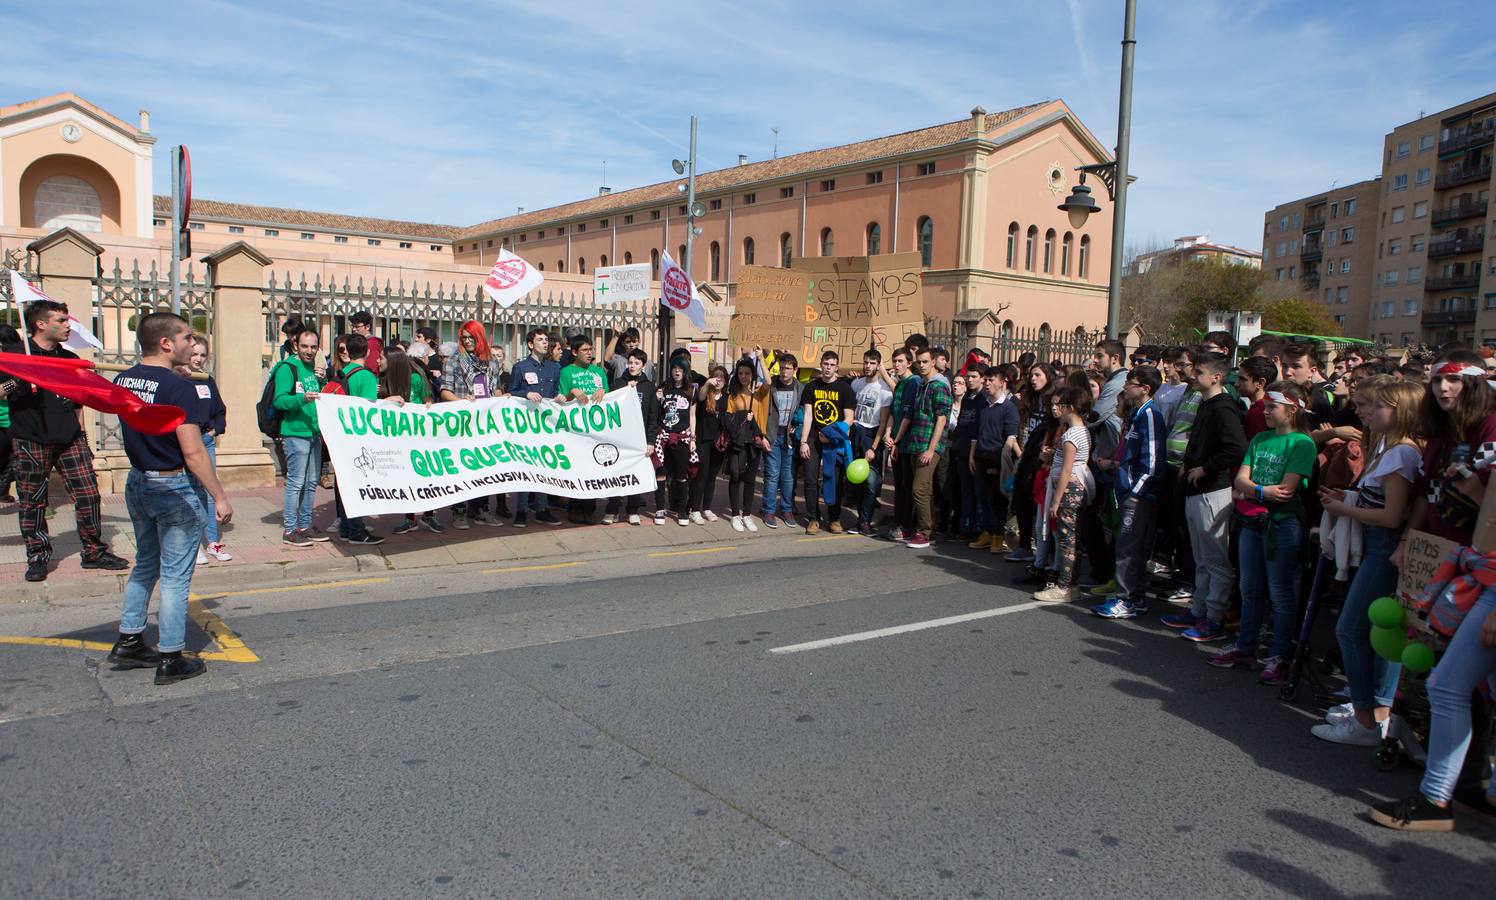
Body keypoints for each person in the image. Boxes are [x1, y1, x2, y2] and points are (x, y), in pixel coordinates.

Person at [107, 312, 232, 685]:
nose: (193, 345)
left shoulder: (125, 378)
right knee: (177, 577)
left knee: (146, 562)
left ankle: (130, 639)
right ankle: (171, 656)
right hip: (173, 485)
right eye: (187, 338)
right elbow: (194, 454)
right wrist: (219, 496)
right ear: (166, 344)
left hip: (139, 480)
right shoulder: (181, 389)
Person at [1312, 379, 1423, 745]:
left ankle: (1365, 718)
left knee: (1351, 629)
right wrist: (1348, 496)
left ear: (1400, 410)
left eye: (1375, 406)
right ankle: (1376, 710)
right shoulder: (1387, 448)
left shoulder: (1402, 452)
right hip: (1376, 544)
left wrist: (1345, 508)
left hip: (1384, 547)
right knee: (1377, 632)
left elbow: (1393, 516)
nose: (1364, 412)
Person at [10, 299, 130, 582]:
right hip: (31, 439)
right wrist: (18, 380)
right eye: (61, 321)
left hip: (70, 437)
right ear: (41, 324)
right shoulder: (15, 355)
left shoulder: (69, 359)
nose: (68, 325)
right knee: (32, 501)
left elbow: (80, 401)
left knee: (88, 494)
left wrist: (83, 437)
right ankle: (38, 555)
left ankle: (93, 551)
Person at [1208, 382, 1315, 681]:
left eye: (1272, 407)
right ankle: (1245, 648)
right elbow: (1240, 480)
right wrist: (1258, 490)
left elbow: (1285, 491)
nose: (1265, 411)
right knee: (1249, 589)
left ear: (1292, 410)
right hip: (1252, 523)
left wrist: (1250, 492)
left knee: (1280, 594)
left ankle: (1280, 657)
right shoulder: (1260, 439)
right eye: (1266, 406)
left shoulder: (1302, 443)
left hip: (1281, 525)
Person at [1165, 354, 1248, 640]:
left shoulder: (1223, 407)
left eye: (1199, 372)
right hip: (1195, 489)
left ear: (1216, 377)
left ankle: (1214, 618)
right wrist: (1189, 463)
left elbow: (1236, 448)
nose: (1192, 375)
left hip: (1214, 491)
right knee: (1201, 558)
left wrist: (1206, 467)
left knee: (1215, 559)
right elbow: (1198, 441)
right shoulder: (1205, 403)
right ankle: (1198, 609)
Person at [1093, 366, 1165, 619]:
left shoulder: (1150, 415)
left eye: (1130, 383)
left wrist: (1136, 491)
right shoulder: (1137, 414)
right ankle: (1135, 597)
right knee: (1129, 548)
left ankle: (1127, 600)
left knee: (1127, 548)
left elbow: (1153, 460)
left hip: (1139, 495)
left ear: (1145, 388)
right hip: (1128, 492)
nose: (1125, 387)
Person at [1033, 386, 1093, 601]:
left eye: (1062, 406)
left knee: (1068, 539)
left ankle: (1065, 586)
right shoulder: (1081, 430)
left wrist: (1056, 501)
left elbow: (1067, 469)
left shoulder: (1072, 435)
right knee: (1071, 537)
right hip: (1074, 487)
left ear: (1071, 408)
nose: (1058, 409)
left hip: (1069, 489)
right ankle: (1070, 584)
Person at [383, 347, 445, 536]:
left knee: (426, 476)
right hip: (399, 437)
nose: (378, 361)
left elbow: (427, 399)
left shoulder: (416, 378)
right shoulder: (384, 380)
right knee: (406, 477)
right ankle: (409, 518)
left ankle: (429, 514)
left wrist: (428, 405)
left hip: (419, 436)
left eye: (381, 358)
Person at [894, 348, 951, 549]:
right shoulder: (921, 385)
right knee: (924, 490)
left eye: (925, 361)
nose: (921, 365)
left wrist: (931, 449)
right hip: (915, 442)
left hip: (930, 445)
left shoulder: (939, 386)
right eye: (919, 362)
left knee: (918, 488)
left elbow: (942, 419)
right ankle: (929, 529)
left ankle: (924, 532)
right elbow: (911, 416)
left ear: (934, 362)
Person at [181, 335, 230, 564]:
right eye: (194, 354)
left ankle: (211, 540)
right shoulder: (179, 380)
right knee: (190, 491)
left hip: (206, 440)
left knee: (210, 490)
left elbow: (219, 410)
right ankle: (195, 543)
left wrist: (215, 431)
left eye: (202, 355)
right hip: (185, 442)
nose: (198, 359)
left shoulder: (207, 380)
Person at [507, 328, 562, 527]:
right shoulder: (520, 367)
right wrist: (526, 394)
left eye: (546, 339)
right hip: (526, 424)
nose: (545, 343)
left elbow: (556, 392)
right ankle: (521, 510)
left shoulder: (554, 368)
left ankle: (542, 508)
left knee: (544, 465)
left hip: (546, 425)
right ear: (531, 344)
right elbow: (511, 392)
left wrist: (560, 398)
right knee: (525, 465)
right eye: (540, 340)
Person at [333, 334, 383, 545]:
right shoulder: (367, 377)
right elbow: (369, 409)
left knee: (342, 482)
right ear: (368, 352)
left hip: (340, 435)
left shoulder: (340, 373)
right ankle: (356, 530)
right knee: (356, 483)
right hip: (358, 438)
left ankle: (346, 526)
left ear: (348, 352)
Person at [798, 351, 855, 534]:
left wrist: (830, 434)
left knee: (835, 480)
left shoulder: (845, 388)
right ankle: (813, 518)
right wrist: (803, 441)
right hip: (814, 438)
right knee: (810, 478)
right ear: (820, 365)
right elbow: (808, 415)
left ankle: (834, 518)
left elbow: (849, 419)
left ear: (837, 367)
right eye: (825, 364)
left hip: (834, 440)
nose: (828, 367)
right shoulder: (811, 387)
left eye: (831, 364)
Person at [1006, 362, 1056, 561]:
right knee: (1021, 497)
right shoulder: (1029, 400)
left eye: (1038, 375)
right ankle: (1025, 545)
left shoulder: (1053, 400)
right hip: (1026, 455)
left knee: (1041, 503)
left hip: (1043, 458)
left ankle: (1047, 551)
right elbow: (1022, 428)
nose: (1033, 379)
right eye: (1031, 375)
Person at [560, 334, 611, 523]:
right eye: (584, 350)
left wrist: (603, 391)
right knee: (577, 468)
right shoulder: (566, 372)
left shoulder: (599, 372)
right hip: (575, 430)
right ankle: (574, 508)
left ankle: (590, 509)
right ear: (574, 352)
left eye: (591, 350)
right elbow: (560, 400)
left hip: (595, 430)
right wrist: (572, 392)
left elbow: (611, 397)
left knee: (594, 468)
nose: (589, 353)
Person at [969, 364, 1020, 554]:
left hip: (997, 459)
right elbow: (976, 433)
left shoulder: (1008, 408)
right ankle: (987, 532)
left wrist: (1005, 460)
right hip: (980, 456)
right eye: (986, 380)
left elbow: (1011, 436)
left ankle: (998, 535)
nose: (987, 383)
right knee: (982, 496)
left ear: (1002, 382)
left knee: (996, 499)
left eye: (991, 380)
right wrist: (972, 456)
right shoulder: (982, 405)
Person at [605, 348, 657, 525]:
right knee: (615, 473)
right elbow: (610, 409)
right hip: (619, 438)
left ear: (643, 366)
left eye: (637, 363)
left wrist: (651, 441)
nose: (633, 366)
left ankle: (633, 510)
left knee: (635, 474)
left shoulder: (649, 387)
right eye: (630, 362)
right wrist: (626, 390)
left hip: (639, 439)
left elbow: (652, 417)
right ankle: (612, 510)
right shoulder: (618, 383)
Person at [848, 350, 893, 535]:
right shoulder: (856, 384)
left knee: (871, 482)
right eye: (865, 362)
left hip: (872, 434)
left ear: (879, 364)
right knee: (856, 482)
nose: (868, 366)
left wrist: (873, 447)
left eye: (872, 363)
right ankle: (860, 520)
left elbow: (882, 422)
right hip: (856, 433)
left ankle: (865, 521)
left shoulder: (884, 390)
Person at [758, 352, 803, 529]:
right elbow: (761, 411)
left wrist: (797, 428)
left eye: (788, 368)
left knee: (788, 476)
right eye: (782, 368)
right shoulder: (771, 385)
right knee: (772, 475)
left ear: (795, 370)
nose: (784, 372)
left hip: (790, 438)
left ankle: (786, 509)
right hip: (772, 436)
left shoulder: (801, 388)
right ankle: (768, 510)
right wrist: (763, 436)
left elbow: (804, 412)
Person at [722, 357, 766, 532]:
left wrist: (761, 358)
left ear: (752, 374)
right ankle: (735, 515)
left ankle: (746, 514)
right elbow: (728, 418)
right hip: (738, 442)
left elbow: (769, 382)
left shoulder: (759, 392)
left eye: (747, 373)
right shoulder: (733, 395)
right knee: (735, 477)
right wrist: (742, 416)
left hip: (754, 441)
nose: (743, 376)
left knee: (750, 479)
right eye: (740, 373)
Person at [882, 347, 921, 541]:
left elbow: (907, 415)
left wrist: (896, 441)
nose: (896, 365)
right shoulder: (899, 384)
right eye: (894, 361)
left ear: (909, 363)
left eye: (900, 361)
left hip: (906, 444)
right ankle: (898, 523)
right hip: (896, 441)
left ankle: (908, 526)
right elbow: (893, 413)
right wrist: (888, 434)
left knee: (907, 486)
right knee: (899, 485)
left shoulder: (913, 383)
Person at [656, 358, 697, 526]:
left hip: (682, 437)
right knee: (661, 474)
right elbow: (658, 413)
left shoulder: (691, 391)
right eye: (674, 368)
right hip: (664, 436)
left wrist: (692, 437)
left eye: (680, 368)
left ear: (685, 371)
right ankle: (659, 509)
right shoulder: (664, 389)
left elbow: (693, 415)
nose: (677, 371)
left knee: (681, 474)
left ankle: (681, 510)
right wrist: (659, 399)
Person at [1282, 340, 1335, 427]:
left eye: (1296, 366)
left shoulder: (1320, 403)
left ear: (1312, 371)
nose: (1288, 372)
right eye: (1284, 366)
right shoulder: (1275, 394)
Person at [1091, 339, 1129, 443]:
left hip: (1110, 449)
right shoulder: (1115, 379)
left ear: (1115, 358)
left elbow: (1095, 416)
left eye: (1100, 356)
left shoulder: (1116, 383)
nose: (1095, 360)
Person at [1237, 356, 1277, 440]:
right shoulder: (1267, 408)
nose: (1236, 384)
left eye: (1243, 379)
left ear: (1260, 383)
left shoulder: (1258, 413)